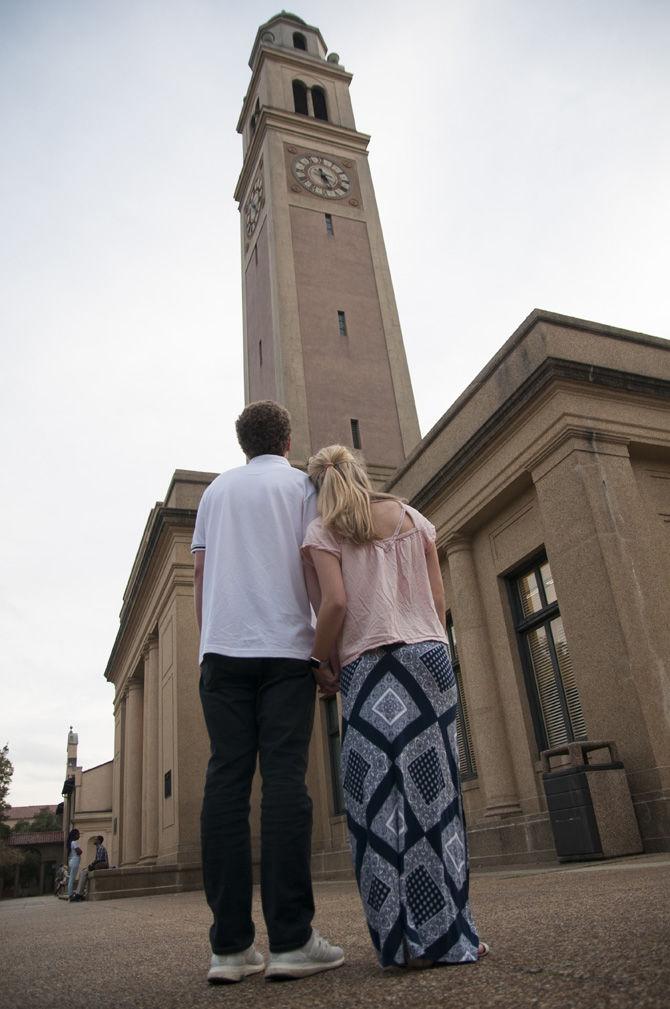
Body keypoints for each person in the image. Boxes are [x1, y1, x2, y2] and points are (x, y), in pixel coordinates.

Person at [302, 444, 489, 969]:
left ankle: (401, 942)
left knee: (377, 807)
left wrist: (319, 663)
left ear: (318, 488)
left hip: (370, 667)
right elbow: (438, 601)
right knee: (438, 799)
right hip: (430, 659)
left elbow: (335, 604)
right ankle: (449, 934)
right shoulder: (412, 517)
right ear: (361, 470)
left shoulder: (323, 532)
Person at [192, 400, 344, 984]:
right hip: (285, 651)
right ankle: (291, 940)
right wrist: (325, 653)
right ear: (286, 441)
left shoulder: (215, 494)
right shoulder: (302, 489)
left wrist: (209, 644)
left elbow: (203, 575)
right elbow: (315, 569)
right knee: (285, 781)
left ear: (242, 444)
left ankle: (229, 949)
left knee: (225, 782)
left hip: (222, 652)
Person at [71, 835, 108, 901]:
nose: (94, 840)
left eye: (96, 839)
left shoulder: (101, 848)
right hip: (99, 864)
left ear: (99, 841)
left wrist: (91, 865)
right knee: (83, 872)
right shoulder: (98, 848)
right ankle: (80, 893)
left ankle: (79, 894)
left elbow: (99, 860)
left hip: (102, 864)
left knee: (84, 872)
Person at [66, 828, 81, 901]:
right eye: (78, 834)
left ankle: (70, 894)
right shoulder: (74, 842)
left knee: (71, 878)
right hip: (75, 860)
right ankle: (70, 895)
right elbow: (79, 851)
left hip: (72, 860)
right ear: (75, 835)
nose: (79, 835)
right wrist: (80, 850)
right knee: (72, 878)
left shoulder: (71, 843)